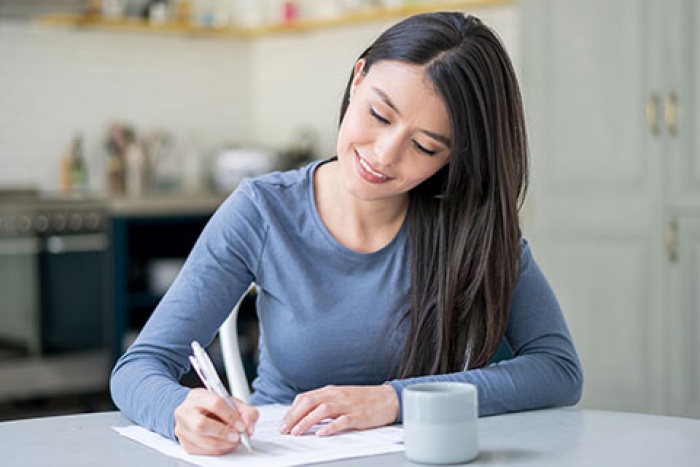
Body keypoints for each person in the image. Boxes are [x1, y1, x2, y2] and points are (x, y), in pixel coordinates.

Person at [110, 11, 583, 456]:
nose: (383, 155)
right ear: (358, 79)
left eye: (423, 146)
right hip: (284, 453)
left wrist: (393, 400)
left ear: (453, 159)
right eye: (379, 115)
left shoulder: (469, 225)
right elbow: (138, 367)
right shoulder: (262, 211)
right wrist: (179, 413)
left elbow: (558, 369)